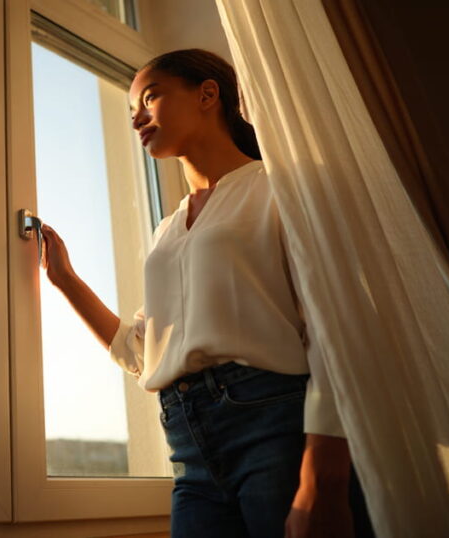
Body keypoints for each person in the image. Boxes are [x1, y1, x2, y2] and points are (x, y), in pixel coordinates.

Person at [38, 49, 374, 538]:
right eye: (131, 109)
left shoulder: (281, 187)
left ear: (207, 94)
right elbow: (142, 350)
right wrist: (66, 280)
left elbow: (336, 326)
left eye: (149, 98)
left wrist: (324, 475)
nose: (136, 119)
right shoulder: (167, 229)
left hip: (275, 428)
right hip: (187, 449)